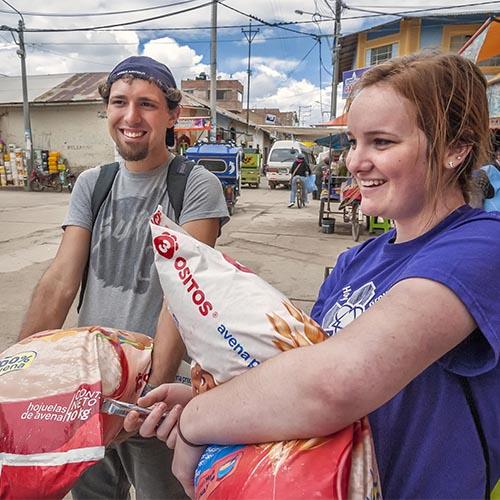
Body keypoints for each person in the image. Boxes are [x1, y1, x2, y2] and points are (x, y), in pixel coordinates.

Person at [124, 53, 500, 499]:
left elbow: (334, 383)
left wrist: (196, 423)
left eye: (381, 142)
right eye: (353, 142)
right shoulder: (355, 262)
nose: (356, 162)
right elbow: (294, 373)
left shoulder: (483, 246)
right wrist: (209, 400)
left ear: (455, 148)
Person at [18, 55, 229, 499]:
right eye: (119, 102)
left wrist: (149, 393)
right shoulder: (92, 184)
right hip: (88, 388)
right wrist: (19, 376)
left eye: (147, 105)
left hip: (155, 394)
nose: (131, 117)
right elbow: (60, 281)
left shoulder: (194, 185)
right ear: (107, 110)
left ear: (172, 114)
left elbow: (182, 295)